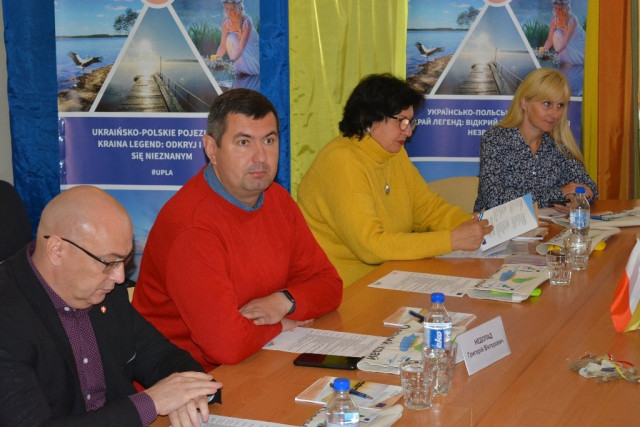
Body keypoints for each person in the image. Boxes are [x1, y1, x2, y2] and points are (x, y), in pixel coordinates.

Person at [132, 89, 342, 371]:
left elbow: (329, 285)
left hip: (258, 358)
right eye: (244, 142)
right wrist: (281, 326)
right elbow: (225, 346)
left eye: (269, 140)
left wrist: (284, 301)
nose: (260, 157)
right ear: (211, 149)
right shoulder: (192, 227)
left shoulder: (277, 199)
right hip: (188, 379)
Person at [0, 186, 221, 427]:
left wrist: (190, 394)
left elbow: (163, 358)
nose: (120, 277)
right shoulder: (8, 316)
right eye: (109, 263)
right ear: (57, 250)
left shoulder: (104, 292)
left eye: (124, 261)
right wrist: (151, 402)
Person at [297, 74, 492, 287]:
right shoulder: (341, 161)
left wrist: (471, 224)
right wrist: (451, 240)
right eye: (401, 121)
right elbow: (371, 247)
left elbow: (428, 209)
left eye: (410, 122)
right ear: (368, 120)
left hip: (389, 277)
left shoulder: (394, 154)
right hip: (342, 288)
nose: (408, 132)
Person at [474, 67, 598, 212]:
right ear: (524, 103)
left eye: (560, 105)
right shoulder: (495, 139)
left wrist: (574, 198)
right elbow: (494, 199)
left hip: (548, 224)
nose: (555, 114)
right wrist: (559, 193)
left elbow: (590, 188)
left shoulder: (558, 143)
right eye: (547, 104)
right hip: (496, 225)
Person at [215, 0, 260, 76]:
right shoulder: (225, 22)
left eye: (232, 9)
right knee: (230, 38)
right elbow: (222, 46)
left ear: (238, 8)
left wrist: (231, 62)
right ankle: (240, 69)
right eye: (226, 9)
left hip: (251, 51)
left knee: (231, 38)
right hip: (239, 52)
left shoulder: (246, 21)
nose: (228, 12)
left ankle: (246, 70)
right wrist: (216, 60)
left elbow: (241, 48)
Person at [541, 0, 585, 66]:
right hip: (565, 44)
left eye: (560, 9)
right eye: (555, 8)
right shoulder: (554, 20)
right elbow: (549, 40)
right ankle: (563, 60)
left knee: (558, 33)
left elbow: (566, 41)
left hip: (578, 43)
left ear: (566, 8)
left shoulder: (572, 19)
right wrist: (544, 50)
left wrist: (556, 52)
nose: (557, 11)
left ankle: (571, 60)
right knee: (557, 34)